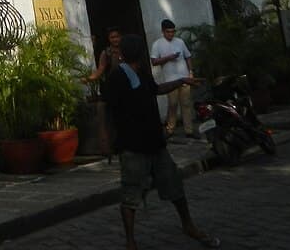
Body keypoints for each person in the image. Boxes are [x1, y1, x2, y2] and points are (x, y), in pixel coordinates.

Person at [104, 34, 220, 250]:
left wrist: (181, 81)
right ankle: (131, 242)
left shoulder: (142, 73)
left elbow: (156, 89)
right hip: (132, 146)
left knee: (174, 185)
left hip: (155, 143)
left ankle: (188, 224)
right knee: (131, 194)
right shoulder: (116, 77)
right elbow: (109, 111)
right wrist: (110, 141)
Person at [150, 19, 196, 137]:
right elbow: (154, 61)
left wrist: (191, 72)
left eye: (172, 32)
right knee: (173, 104)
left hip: (184, 77)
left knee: (186, 104)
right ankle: (170, 129)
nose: (171, 34)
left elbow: (188, 57)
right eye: (168, 32)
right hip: (171, 81)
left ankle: (189, 131)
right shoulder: (157, 44)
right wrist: (168, 57)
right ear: (163, 31)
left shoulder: (180, 42)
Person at [84, 26, 124, 156]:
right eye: (112, 37)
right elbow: (100, 70)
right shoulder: (106, 53)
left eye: (117, 36)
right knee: (115, 118)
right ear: (109, 39)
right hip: (113, 89)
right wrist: (89, 78)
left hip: (127, 87)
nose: (115, 40)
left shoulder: (127, 50)